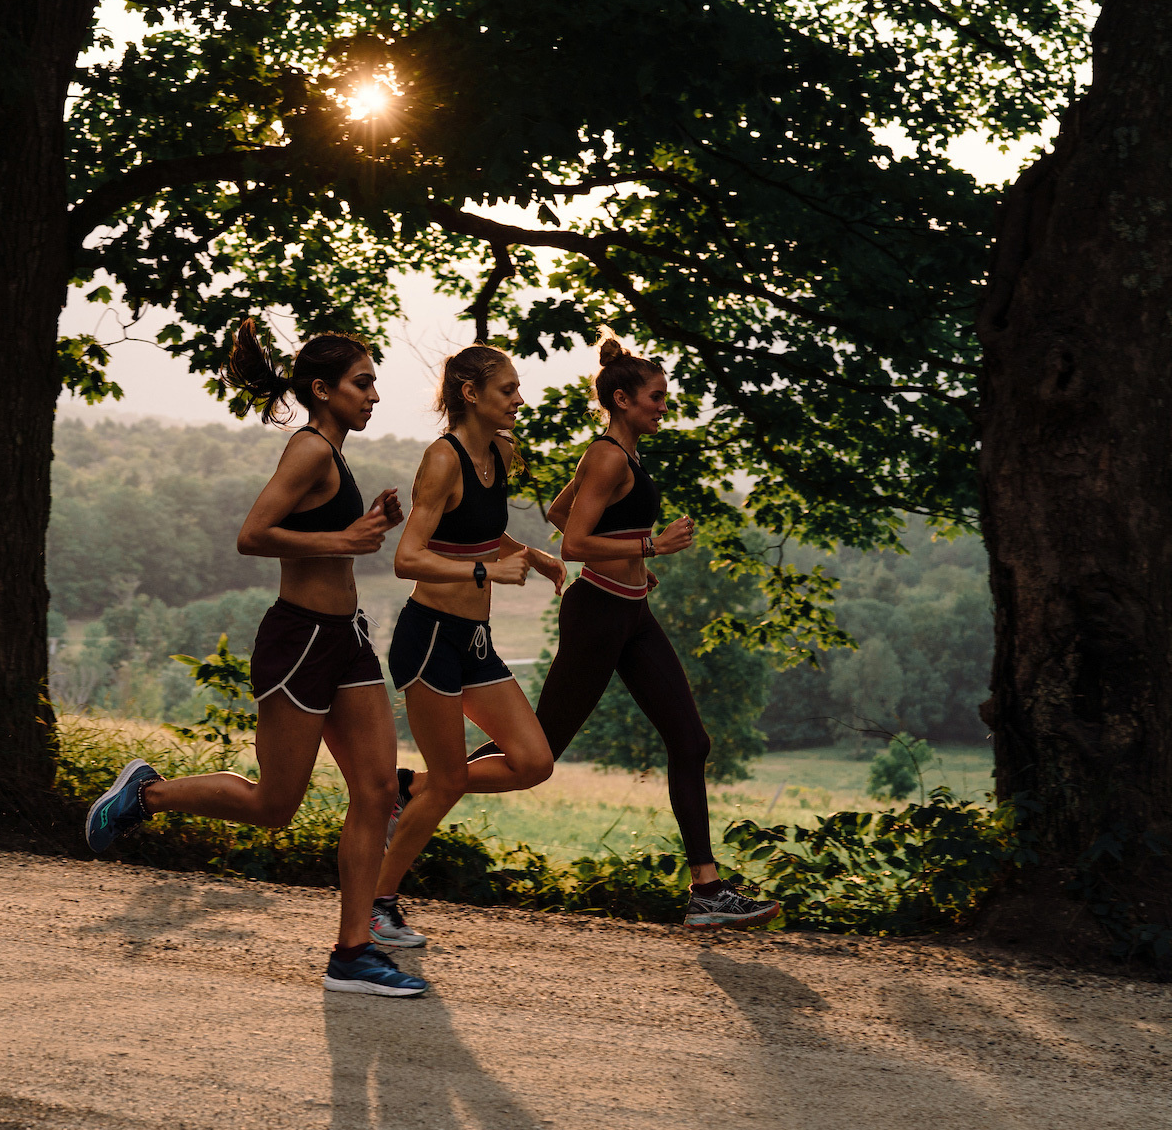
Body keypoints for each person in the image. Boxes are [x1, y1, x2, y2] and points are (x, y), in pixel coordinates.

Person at [84, 319, 426, 996]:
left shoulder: (334, 453)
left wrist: (364, 526)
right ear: (323, 389)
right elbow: (252, 534)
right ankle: (145, 794)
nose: (374, 395)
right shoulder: (309, 448)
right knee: (274, 803)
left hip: (347, 638)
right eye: (363, 383)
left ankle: (353, 953)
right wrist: (347, 540)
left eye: (374, 383)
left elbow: (318, 531)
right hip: (300, 641)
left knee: (377, 790)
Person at [530, 332, 781, 928]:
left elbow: (562, 512)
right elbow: (570, 544)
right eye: (656, 397)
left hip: (631, 611)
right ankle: (411, 790)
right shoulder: (608, 456)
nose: (664, 406)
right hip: (597, 613)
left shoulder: (624, 455)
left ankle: (707, 892)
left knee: (691, 742)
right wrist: (649, 547)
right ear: (622, 400)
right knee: (536, 753)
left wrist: (633, 563)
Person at [367, 345, 568, 951]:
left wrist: (530, 554)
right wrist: (488, 571)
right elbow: (407, 558)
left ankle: (409, 788)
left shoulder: (501, 452)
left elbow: (479, 528)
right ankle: (377, 905)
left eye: (517, 388)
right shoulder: (442, 458)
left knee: (533, 761)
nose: (519, 400)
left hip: (474, 640)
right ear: (471, 393)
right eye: (508, 390)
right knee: (452, 782)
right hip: (429, 637)